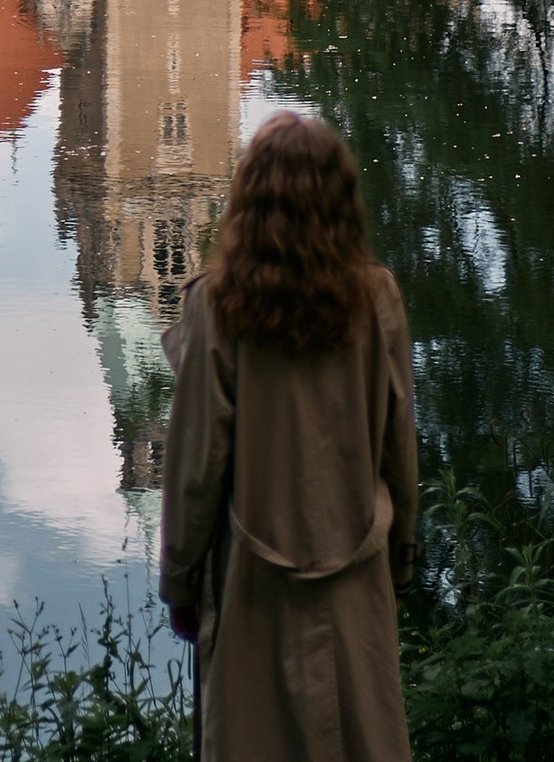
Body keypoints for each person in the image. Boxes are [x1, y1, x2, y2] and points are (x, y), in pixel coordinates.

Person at [161, 112, 418, 762]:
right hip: (356, 572)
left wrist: (181, 583)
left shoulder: (216, 309)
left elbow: (196, 469)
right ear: (340, 203)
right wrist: (402, 555)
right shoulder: (377, 299)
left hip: (254, 586)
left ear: (249, 202)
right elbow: (400, 448)